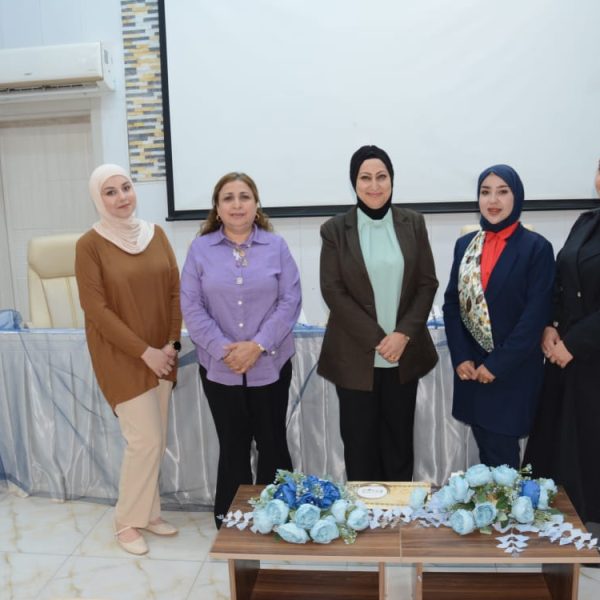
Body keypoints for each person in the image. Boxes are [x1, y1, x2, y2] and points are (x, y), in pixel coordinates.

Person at [180, 172, 301, 527]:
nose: (237, 205)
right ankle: (233, 524)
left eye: (244, 197)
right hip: (220, 369)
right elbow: (191, 307)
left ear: (256, 205)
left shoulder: (276, 246)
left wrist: (258, 345)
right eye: (228, 198)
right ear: (217, 209)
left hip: (271, 365)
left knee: (272, 443)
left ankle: (278, 520)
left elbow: (290, 301)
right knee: (233, 446)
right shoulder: (200, 250)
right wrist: (224, 349)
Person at [76, 164, 182, 555]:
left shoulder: (156, 234)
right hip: (120, 355)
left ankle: (149, 513)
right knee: (145, 439)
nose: (121, 197)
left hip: (162, 354)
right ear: (97, 199)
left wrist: (171, 344)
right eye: (110, 192)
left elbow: (175, 291)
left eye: (126, 187)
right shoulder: (89, 245)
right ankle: (126, 522)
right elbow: (96, 310)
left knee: (156, 439)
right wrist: (144, 352)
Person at [318, 145, 438, 482]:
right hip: (355, 358)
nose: (374, 185)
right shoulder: (334, 230)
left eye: (381, 177)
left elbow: (426, 283)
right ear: (354, 183)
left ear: (392, 180)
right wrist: (378, 339)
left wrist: (402, 335)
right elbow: (333, 291)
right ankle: (364, 513)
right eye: (365, 178)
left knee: (399, 446)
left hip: (404, 356)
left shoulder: (413, 223)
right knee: (360, 448)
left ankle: (398, 511)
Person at [443, 164, 554, 469]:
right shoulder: (465, 245)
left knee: (503, 464)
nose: (493, 200)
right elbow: (452, 305)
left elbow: (534, 318)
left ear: (516, 196)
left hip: (512, 375)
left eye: (502, 192)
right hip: (472, 373)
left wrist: (496, 365)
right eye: (485, 192)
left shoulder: (537, 248)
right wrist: (461, 358)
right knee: (487, 460)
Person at [525, 160, 600, 533]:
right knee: (558, 452)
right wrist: (549, 326)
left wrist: (574, 343)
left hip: (590, 360)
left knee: (590, 455)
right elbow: (561, 279)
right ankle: (561, 537)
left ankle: (590, 536)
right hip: (562, 360)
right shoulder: (586, 221)